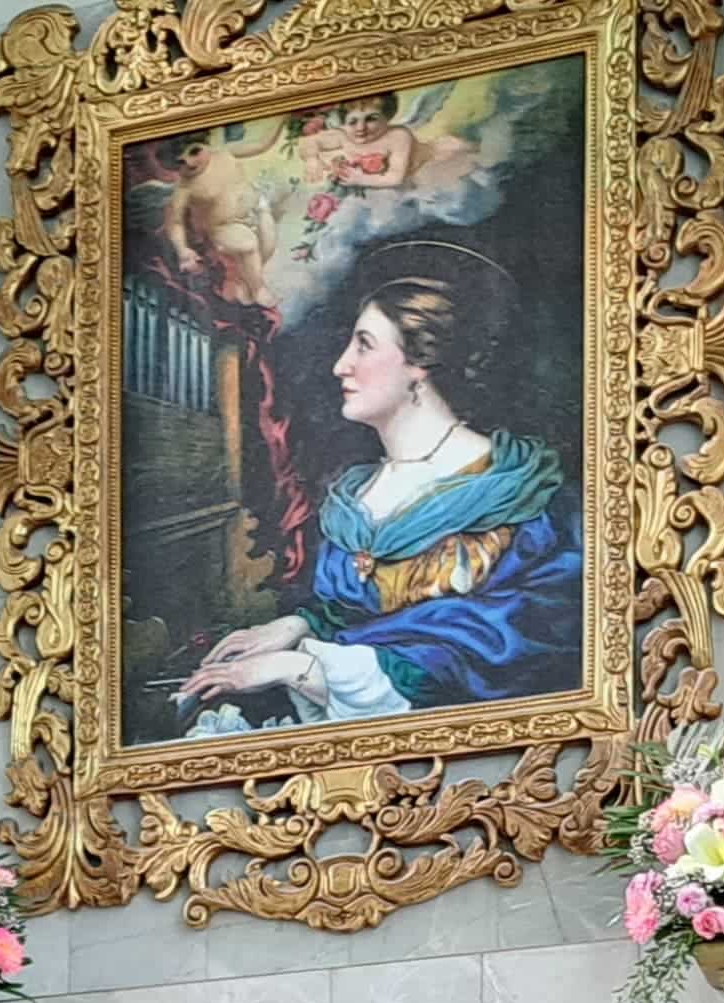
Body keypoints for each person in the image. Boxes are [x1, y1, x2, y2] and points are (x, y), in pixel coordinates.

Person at [173, 243, 580, 730]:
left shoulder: (519, 493)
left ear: (419, 362)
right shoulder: (355, 496)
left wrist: (304, 667)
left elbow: (505, 646)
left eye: (363, 345)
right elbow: (360, 617)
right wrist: (299, 625)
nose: (340, 365)